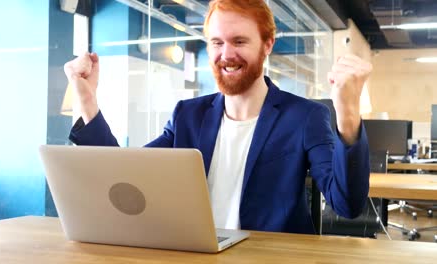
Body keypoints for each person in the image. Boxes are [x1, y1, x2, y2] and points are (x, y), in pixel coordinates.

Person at [64, 0, 372, 234]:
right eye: (217, 42)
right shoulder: (188, 115)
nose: (226, 54)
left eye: (239, 41)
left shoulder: (304, 116)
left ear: (267, 45)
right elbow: (125, 175)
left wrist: (347, 115)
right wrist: (87, 99)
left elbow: (346, 204)